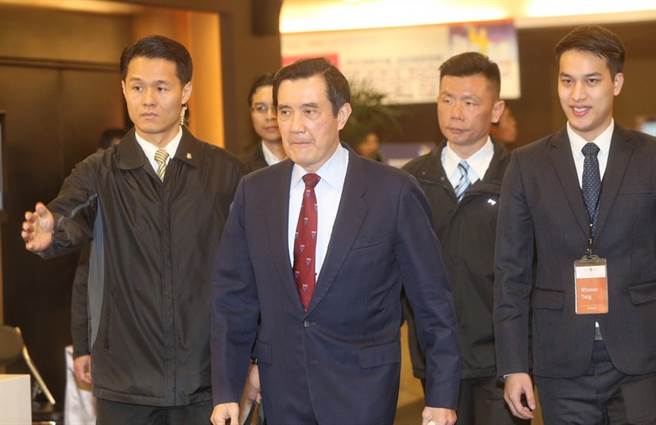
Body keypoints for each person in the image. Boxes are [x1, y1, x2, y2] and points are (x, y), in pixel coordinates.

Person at [209, 58, 460, 425]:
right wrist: (227, 391)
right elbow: (233, 300)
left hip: (363, 392)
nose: (295, 126)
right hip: (282, 393)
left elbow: (432, 302)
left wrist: (441, 396)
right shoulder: (255, 192)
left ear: (342, 115)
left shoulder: (393, 191)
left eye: (310, 111)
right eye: (285, 112)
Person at [21, 35, 243, 424]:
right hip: (126, 381)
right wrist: (50, 232)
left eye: (161, 88)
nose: (148, 100)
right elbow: (69, 219)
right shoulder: (98, 171)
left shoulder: (225, 172)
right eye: (137, 87)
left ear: (186, 91)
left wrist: (251, 356)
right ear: (123, 89)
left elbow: (247, 272)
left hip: (205, 377)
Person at [495, 25, 656, 424]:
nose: (577, 95)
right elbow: (511, 272)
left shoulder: (650, 157)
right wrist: (514, 364)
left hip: (642, 357)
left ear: (616, 83)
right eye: (567, 81)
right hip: (560, 359)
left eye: (591, 81)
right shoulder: (527, 165)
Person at [403, 52, 525, 425]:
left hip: (502, 361)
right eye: (447, 100)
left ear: (496, 109)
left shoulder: (520, 176)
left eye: (470, 102)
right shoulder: (410, 181)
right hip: (435, 359)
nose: (455, 113)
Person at [241, 73, 286, 172]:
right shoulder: (240, 168)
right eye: (261, 108)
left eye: (276, 107)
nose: (270, 116)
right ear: (251, 113)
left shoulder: (309, 159)